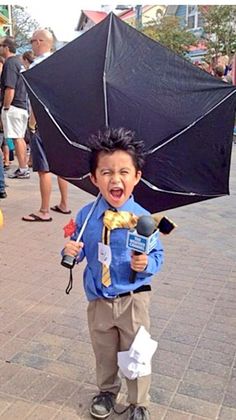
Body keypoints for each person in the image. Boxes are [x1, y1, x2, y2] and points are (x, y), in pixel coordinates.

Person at [63, 128, 164, 420]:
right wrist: (70, 251)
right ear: (94, 178)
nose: (115, 179)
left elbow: (158, 255)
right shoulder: (85, 215)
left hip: (133, 300)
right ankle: (107, 391)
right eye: (106, 172)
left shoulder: (145, 219)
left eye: (123, 171)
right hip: (99, 300)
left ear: (137, 176)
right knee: (104, 352)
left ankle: (138, 402)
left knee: (137, 354)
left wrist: (147, 263)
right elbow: (79, 249)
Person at [22, 29, 70, 222]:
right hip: (59, 122)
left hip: (42, 123)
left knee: (44, 169)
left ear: (40, 41)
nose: (32, 44)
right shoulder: (59, 65)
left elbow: (37, 99)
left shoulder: (38, 67)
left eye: (33, 41)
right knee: (61, 167)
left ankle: (44, 211)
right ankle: (64, 203)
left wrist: (32, 122)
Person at [0, 36, 29, 179]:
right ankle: (23, 167)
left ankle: (23, 168)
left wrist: (6, 107)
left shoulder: (10, 63)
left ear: (6, 47)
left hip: (13, 105)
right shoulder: (19, 63)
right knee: (20, 138)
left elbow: (9, 88)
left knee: (17, 138)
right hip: (22, 105)